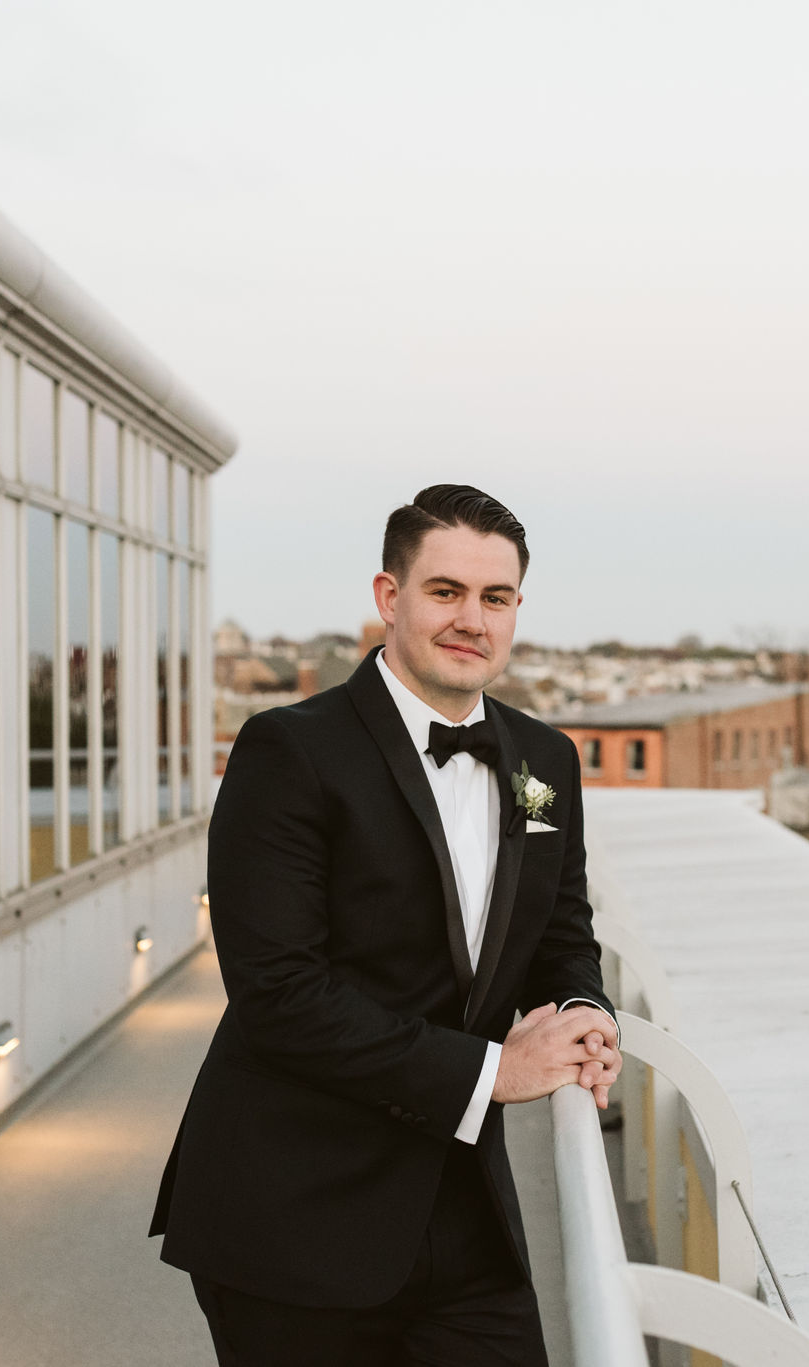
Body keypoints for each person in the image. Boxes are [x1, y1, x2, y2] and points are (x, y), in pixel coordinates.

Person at [150, 484, 622, 1365]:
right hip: (297, 1214)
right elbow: (279, 995)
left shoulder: (546, 758)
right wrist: (497, 1070)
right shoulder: (287, 750)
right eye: (445, 591)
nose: (471, 619)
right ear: (388, 596)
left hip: (466, 1210)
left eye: (496, 597)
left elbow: (561, 926)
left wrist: (584, 1007)